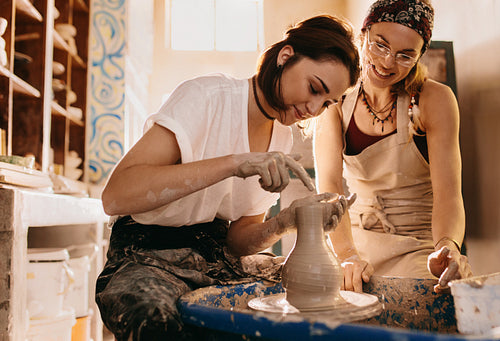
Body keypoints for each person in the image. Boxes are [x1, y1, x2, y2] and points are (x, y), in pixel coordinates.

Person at [96, 14, 360, 340]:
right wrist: (235, 163)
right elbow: (115, 196)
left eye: (326, 103)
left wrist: (286, 221)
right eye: (314, 88)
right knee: (157, 320)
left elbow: (237, 241)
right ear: (285, 56)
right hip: (146, 252)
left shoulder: (281, 138)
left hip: (214, 257)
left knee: (300, 303)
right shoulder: (206, 97)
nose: (314, 108)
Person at [314, 0, 473, 294]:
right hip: (352, 240)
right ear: (363, 36)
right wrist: (347, 255)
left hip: (418, 247)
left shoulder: (434, 99)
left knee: (430, 300)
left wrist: (447, 247)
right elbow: (329, 188)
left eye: (405, 55)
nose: (387, 62)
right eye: (380, 45)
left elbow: (449, 194)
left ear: (420, 56)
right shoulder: (337, 97)